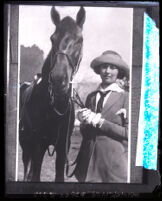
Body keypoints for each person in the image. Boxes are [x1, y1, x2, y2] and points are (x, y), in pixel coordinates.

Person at [73, 50, 129, 183]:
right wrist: (84, 122)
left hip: (113, 165)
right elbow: (85, 132)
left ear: (119, 72)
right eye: (104, 67)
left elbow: (128, 133)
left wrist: (100, 122)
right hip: (88, 163)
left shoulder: (126, 97)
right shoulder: (91, 97)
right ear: (99, 70)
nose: (107, 71)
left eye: (113, 67)